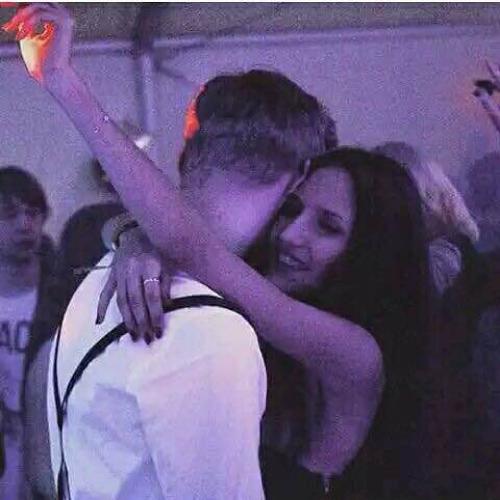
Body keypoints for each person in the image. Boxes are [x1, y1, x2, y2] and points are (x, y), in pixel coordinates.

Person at [4, 5, 431, 498]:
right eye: (292, 210)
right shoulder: (229, 311)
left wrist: (63, 81)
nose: (292, 235)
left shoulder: (357, 353)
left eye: (328, 227)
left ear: (368, 249)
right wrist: (136, 238)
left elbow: (197, 249)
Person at [0, 166, 56, 500]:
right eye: (9, 215)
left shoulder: (61, 289)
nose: (25, 225)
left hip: (50, 437)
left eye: (33, 213)